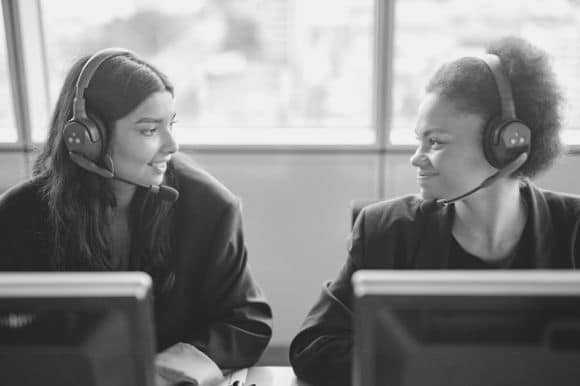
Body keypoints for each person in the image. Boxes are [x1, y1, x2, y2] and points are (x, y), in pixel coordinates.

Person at [289, 36, 580, 386]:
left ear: (503, 145)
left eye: (436, 142)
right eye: (419, 139)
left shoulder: (573, 229)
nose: (416, 156)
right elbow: (313, 347)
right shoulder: (387, 229)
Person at [0, 48, 272, 384]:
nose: (171, 145)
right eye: (148, 130)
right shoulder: (17, 216)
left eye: (170, 125)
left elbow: (247, 321)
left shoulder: (209, 207)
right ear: (87, 138)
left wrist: (165, 372)